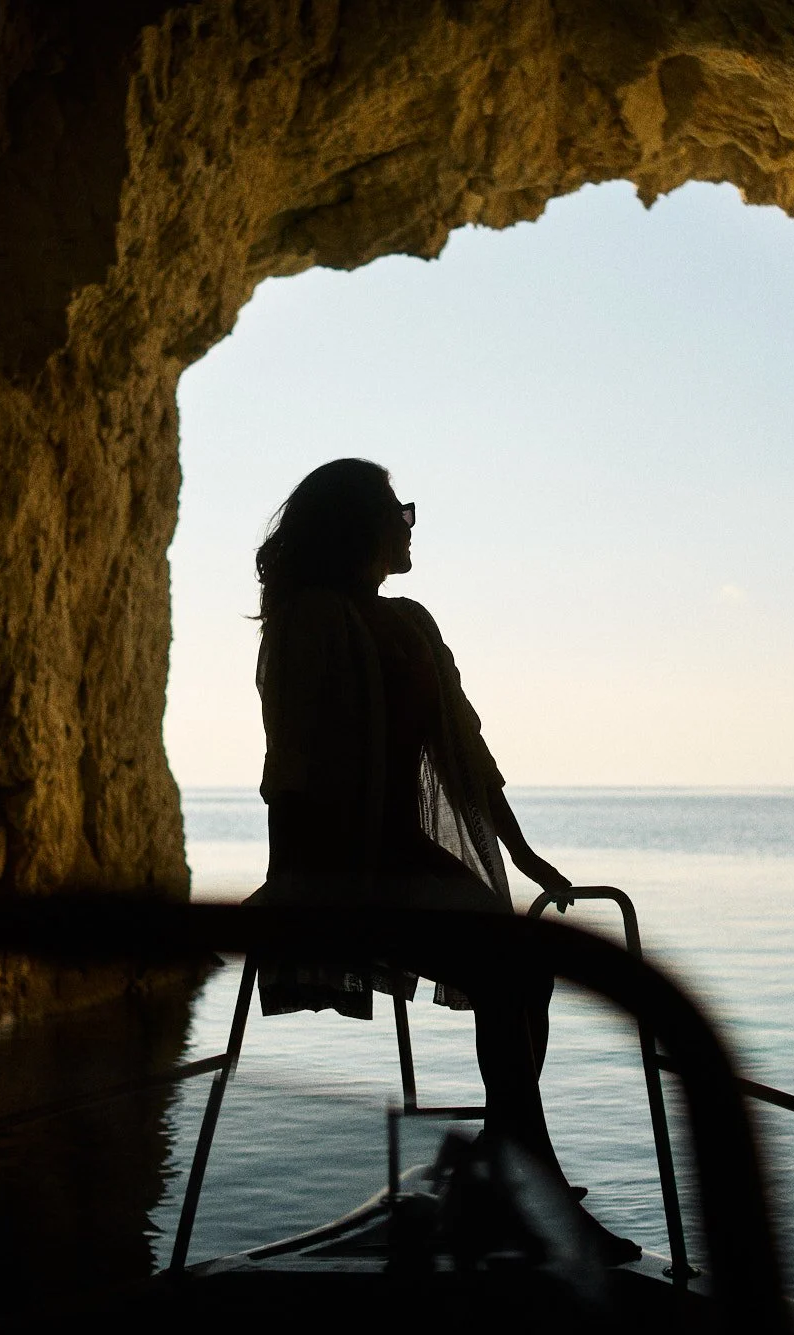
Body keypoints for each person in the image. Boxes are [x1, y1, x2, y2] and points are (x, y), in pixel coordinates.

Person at [247, 457, 638, 1263]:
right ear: (360, 523)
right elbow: (294, 768)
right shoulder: (308, 621)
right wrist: (305, 891)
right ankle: (525, 1184)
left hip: (415, 861)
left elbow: (469, 752)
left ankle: (504, 1170)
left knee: (528, 970)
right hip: (349, 869)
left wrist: (527, 858)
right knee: (508, 973)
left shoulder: (414, 622)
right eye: (400, 509)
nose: (409, 523)